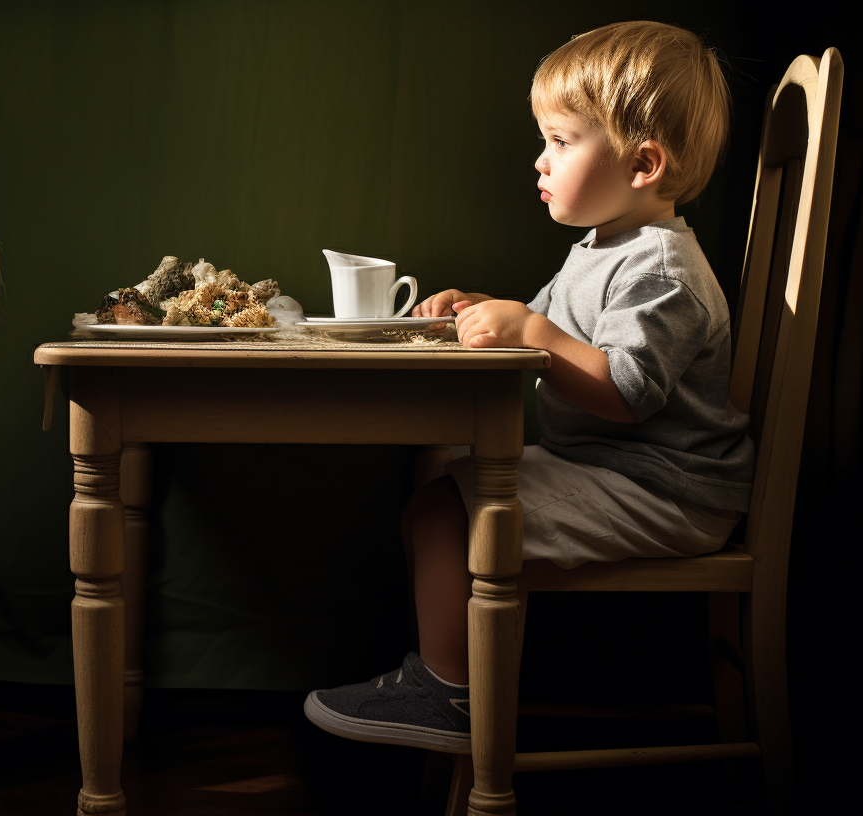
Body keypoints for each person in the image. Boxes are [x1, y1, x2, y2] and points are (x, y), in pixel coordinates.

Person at [303, 20, 755, 754]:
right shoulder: (604, 247)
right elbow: (551, 325)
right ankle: (445, 677)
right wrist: (485, 311)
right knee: (431, 503)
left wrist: (531, 334)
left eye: (562, 141)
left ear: (643, 164)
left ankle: (451, 696)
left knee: (449, 515)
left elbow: (626, 389)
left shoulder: (663, 273)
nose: (540, 160)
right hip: (614, 471)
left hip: (668, 489)